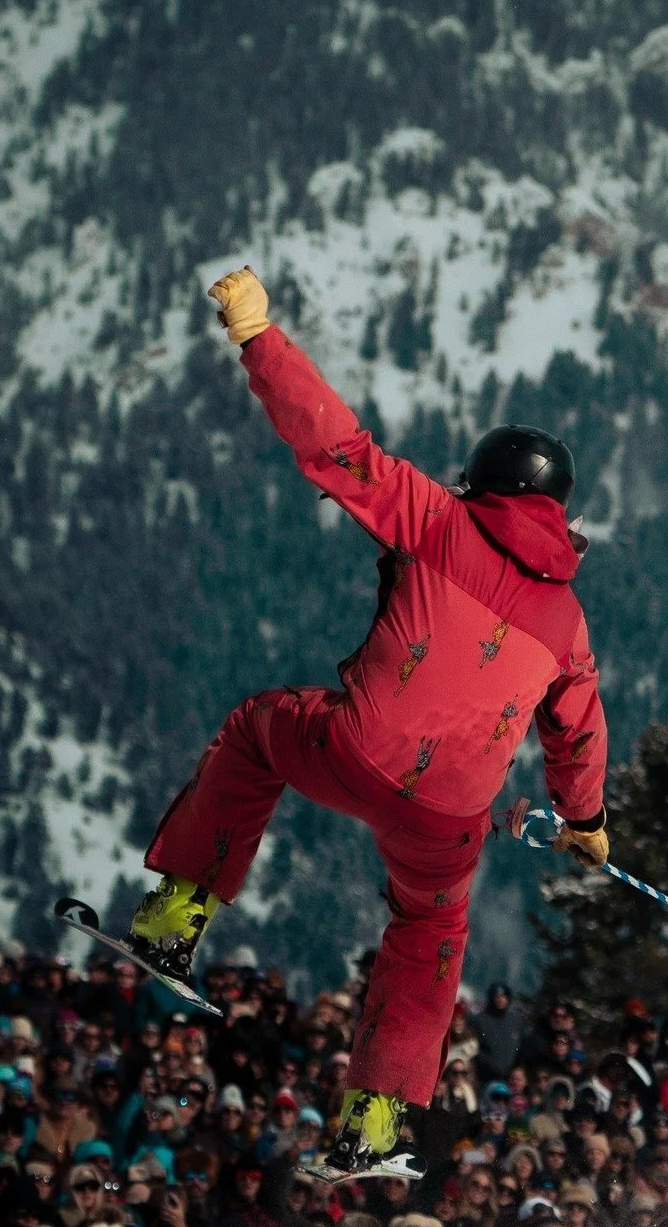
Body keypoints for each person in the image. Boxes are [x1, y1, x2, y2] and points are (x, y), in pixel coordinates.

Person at [117, 266, 611, 1177]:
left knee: (258, 727)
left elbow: (331, 444)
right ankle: (371, 1120)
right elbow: (576, 732)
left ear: (481, 482)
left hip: (356, 748)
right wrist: (584, 822)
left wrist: (256, 336)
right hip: (450, 814)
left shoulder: (436, 519)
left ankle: (177, 914)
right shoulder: (567, 620)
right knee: (429, 934)